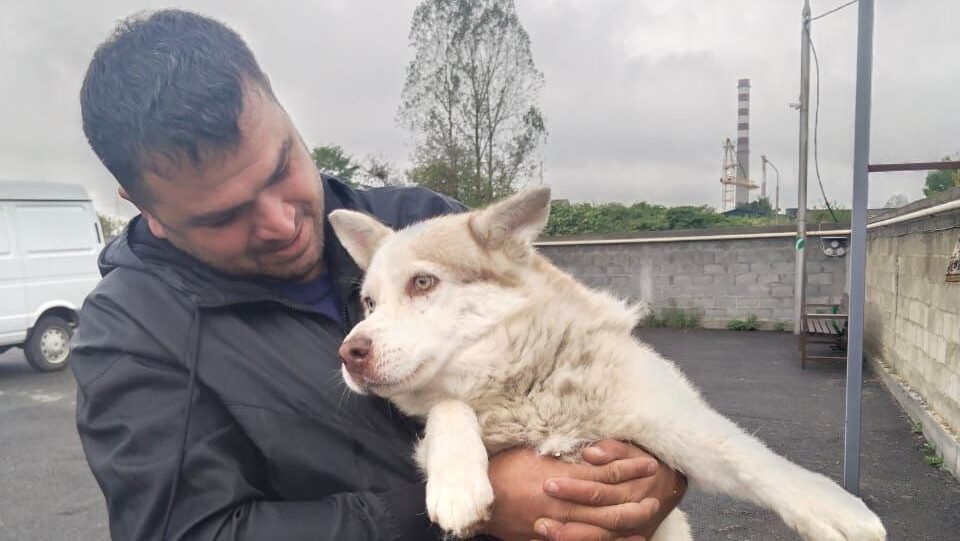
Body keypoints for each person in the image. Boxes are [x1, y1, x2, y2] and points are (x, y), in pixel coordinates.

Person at [71, 9, 686, 541]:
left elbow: (599, 358)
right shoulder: (131, 334)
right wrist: (464, 505)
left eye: (282, 166)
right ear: (139, 203)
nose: (281, 223)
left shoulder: (421, 226)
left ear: (283, 110)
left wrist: (654, 475)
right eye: (224, 216)